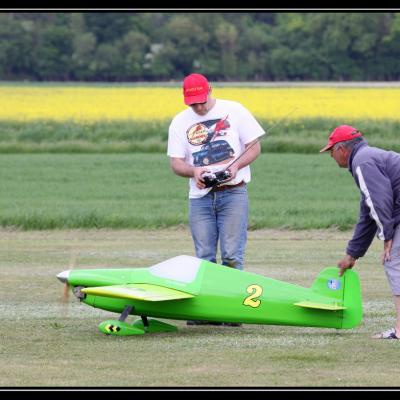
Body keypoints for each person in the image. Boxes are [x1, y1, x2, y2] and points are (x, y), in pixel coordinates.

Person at [167, 73, 265, 326]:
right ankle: (207, 312)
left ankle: (233, 311)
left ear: (210, 90)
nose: (198, 107)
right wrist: (195, 172)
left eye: (201, 101)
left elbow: (254, 147)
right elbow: (176, 163)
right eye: (192, 103)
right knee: (204, 256)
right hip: (199, 197)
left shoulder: (234, 110)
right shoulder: (179, 122)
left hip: (233, 192)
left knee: (232, 255)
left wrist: (234, 167)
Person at [320, 124, 400, 339]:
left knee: (394, 261)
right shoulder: (367, 157)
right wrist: (352, 254)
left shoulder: (362, 162)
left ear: (341, 149)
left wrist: (387, 237)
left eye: (330, 151)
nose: (331, 156)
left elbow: (379, 202)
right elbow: (367, 213)